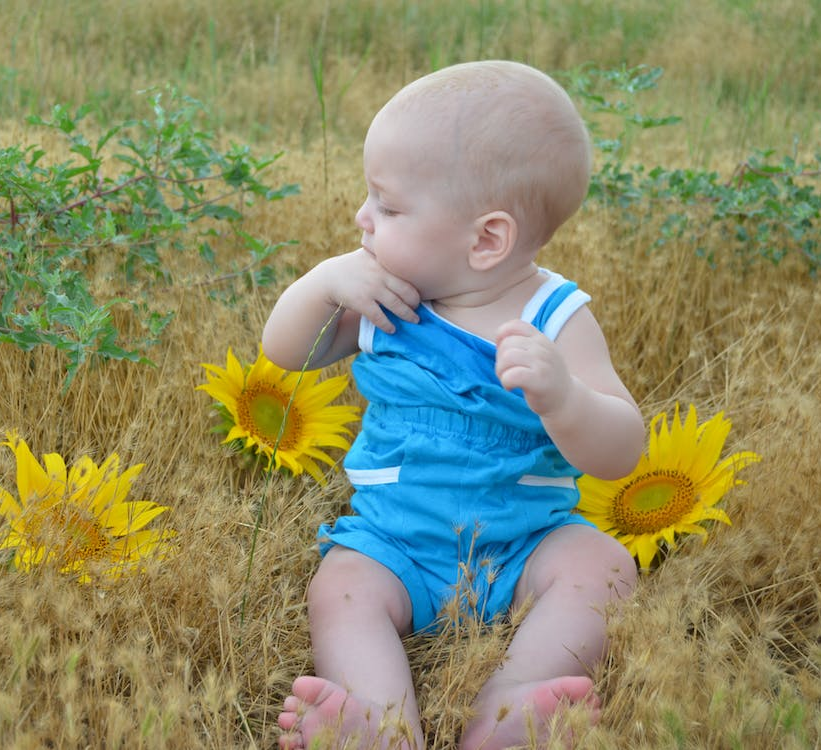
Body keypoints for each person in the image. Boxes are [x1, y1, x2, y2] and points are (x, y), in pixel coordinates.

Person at [262, 60, 645, 750]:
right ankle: (379, 723)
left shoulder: (554, 318)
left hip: (525, 544)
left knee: (605, 567)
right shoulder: (382, 296)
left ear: (487, 239)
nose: (362, 217)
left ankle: (512, 704)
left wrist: (564, 397)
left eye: (387, 204)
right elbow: (287, 351)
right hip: (395, 544)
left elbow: (622, 450)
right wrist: (325, 283)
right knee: (342, 590)